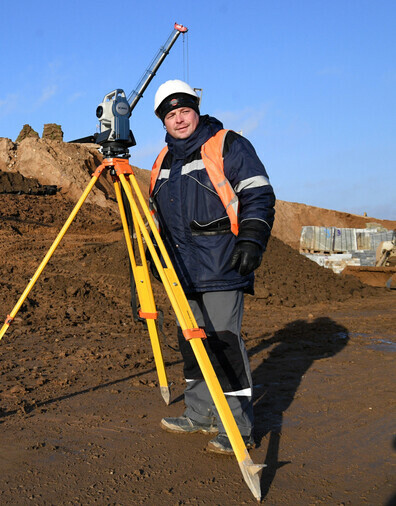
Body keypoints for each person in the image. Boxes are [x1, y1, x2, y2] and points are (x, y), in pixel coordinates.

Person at [148, 79, 275, 455]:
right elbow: (157, 216)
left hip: (222, 264)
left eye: (184, 111)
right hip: (182, 274)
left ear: (196, 110)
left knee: (224, 345)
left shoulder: (227, 144)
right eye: (171, 115)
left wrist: (252, 239)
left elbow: (258, 192)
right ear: (163, 121)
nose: (179, 119)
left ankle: (238, 427)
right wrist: (156, 257)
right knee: (192, 344)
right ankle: (200, 413)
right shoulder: (162, 160)